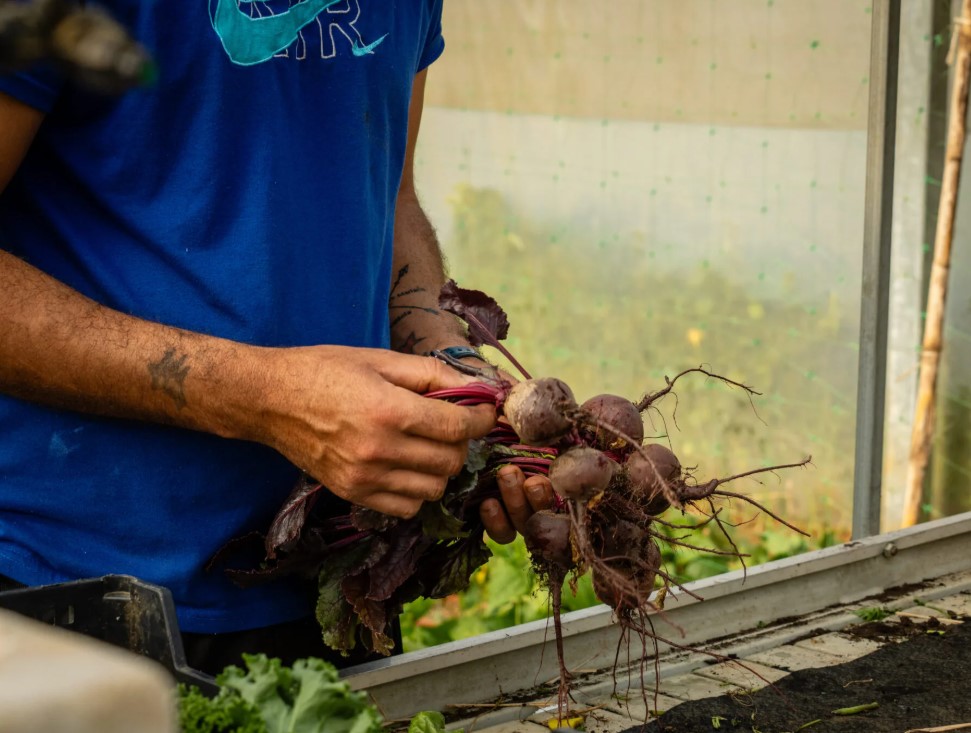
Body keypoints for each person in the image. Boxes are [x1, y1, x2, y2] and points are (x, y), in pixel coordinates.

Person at [0, 0, 552, 674]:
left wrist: (445, 357)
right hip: (65, 587)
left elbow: (389, 192)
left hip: (335, 570)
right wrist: (266, 395)